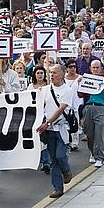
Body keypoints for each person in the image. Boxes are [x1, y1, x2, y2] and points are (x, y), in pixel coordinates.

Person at [36, 64, 73, 198]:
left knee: (60, 155)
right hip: (49, 130)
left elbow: (60, 110)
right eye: (50, 72)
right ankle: (57, 187)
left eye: (55, 73)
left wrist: (48, 122)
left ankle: (67, 170)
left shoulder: (67, 90)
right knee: (53, 159)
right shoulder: (45, 90)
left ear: (63, 74)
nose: (52, 75)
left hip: (62, 128)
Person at [81, 60, 104, 168]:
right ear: (90, 69)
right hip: (88, 108)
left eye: (97, 67)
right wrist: (80, 84)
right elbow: (79, 94)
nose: (95, 70)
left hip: (101, 108)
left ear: (101, 69)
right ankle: (93, 152)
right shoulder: (87, 80)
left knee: (98, 134)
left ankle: (100, 157)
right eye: (93, 68)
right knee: (89, 134)